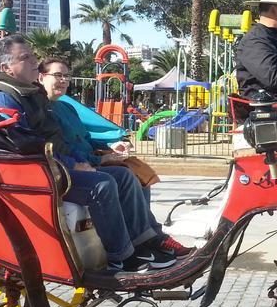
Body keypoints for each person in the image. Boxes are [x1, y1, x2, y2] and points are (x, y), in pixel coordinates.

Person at [0, 35, 174, 275]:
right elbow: (25, 146)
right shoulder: (3, 97)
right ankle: (120, 258)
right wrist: (71, 166)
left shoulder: (30, 94)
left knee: (124, 175)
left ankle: (141, 244)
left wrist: (81, 161)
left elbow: (58, 139)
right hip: (39, 175)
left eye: (32, 54)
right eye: (25, 57)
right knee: (102, 184)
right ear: (6, 68)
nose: (34, 60)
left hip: (56, 166)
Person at [36, 57, 190, 257]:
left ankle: (150, 235)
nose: (64, 80)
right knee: (124, 175)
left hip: (87, 158)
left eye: (67, 76)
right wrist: (100, 160)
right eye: (58, 75)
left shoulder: (67, 107)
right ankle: (143, 243)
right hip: (75, 166)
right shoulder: (43, 110)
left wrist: (109, 146)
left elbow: (85, 138)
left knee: (138, 170)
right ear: (41, 77)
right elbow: (63, 148)